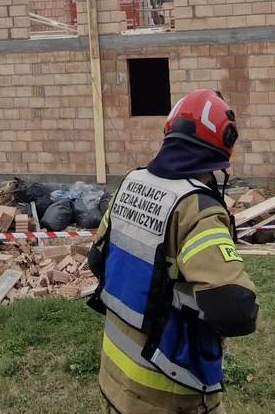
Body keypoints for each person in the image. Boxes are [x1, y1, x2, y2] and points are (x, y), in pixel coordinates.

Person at [87, 89, 259, 414]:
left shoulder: (130, 183)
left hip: (114, 378)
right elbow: (236, 312)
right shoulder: (197, 209)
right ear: (221, 150)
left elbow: (97, 261)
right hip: (170, 392)